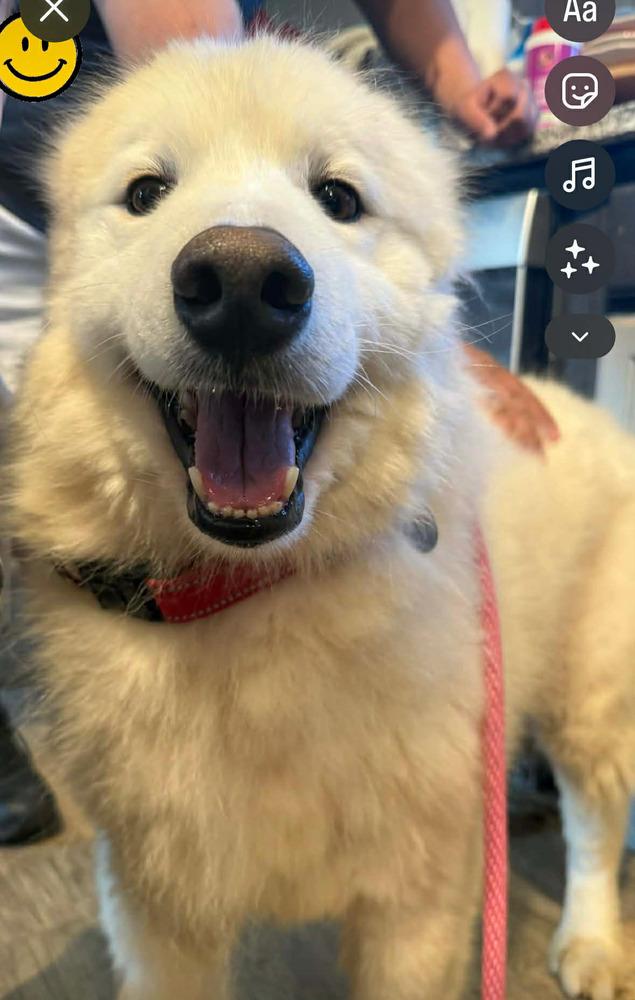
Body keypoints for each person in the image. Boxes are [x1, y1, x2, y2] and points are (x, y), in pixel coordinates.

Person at [0, 0, 553, 846]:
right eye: (151, 190)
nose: (245, 274)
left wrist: (460, 79)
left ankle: (400, 760)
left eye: (336, 196)